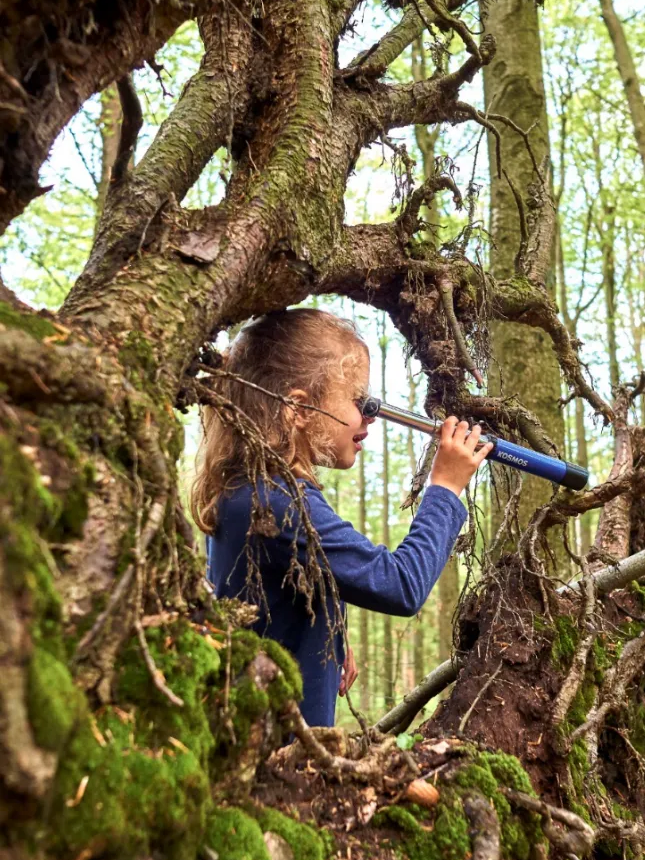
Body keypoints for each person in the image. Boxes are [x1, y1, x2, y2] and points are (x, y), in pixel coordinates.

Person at [192, 308, 493, 727]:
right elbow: (401, 585)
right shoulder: (277, 502)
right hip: (275, 755)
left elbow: (269, 596)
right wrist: (444, 488)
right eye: (358, 401)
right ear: (299, 408)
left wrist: (327, 627)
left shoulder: (249, 489)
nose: (370, 416)